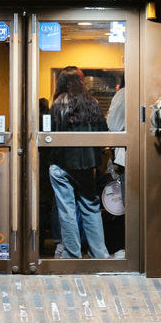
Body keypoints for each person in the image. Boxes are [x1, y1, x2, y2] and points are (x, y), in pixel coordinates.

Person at [48, 67, 108, 259]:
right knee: (91, 207)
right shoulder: (92, 103)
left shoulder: (57, 104)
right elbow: (103, 134)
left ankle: (72, 255)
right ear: (81, 82)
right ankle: (100, 255)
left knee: (67, 209)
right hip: (86, 165)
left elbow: (49, 135)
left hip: (62, 164)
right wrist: (95, 160)